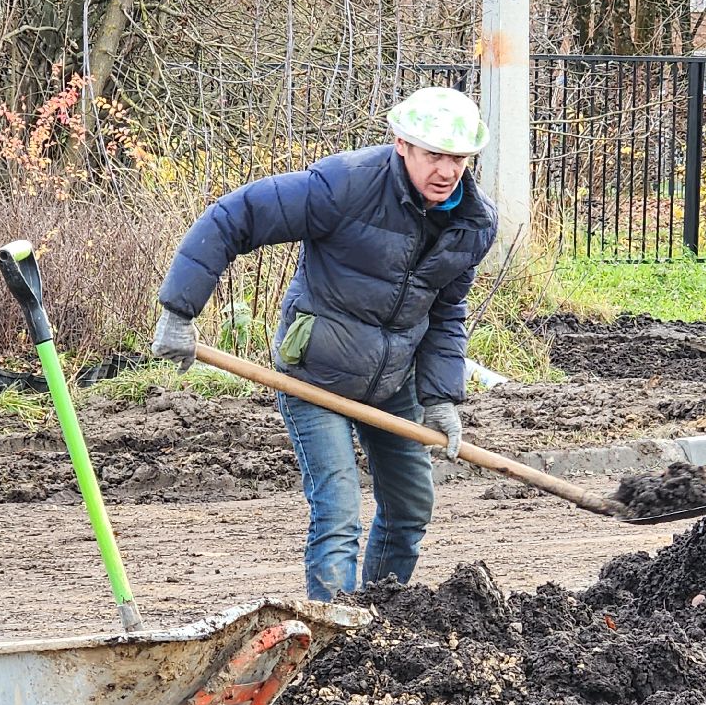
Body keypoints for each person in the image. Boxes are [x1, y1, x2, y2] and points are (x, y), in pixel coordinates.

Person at [152, 86, 498, 600]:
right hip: (315, 372)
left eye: (459, 158)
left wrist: (441, 397)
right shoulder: (344, 185)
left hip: (393, 382)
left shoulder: (473, 224)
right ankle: (332, 636)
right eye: (434, 155)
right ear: (401, 143)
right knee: (338, 513)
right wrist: (179, 311)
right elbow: (234, 217)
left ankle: (378, 620)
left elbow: (445, 312)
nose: (447, 171)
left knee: (409, 511)